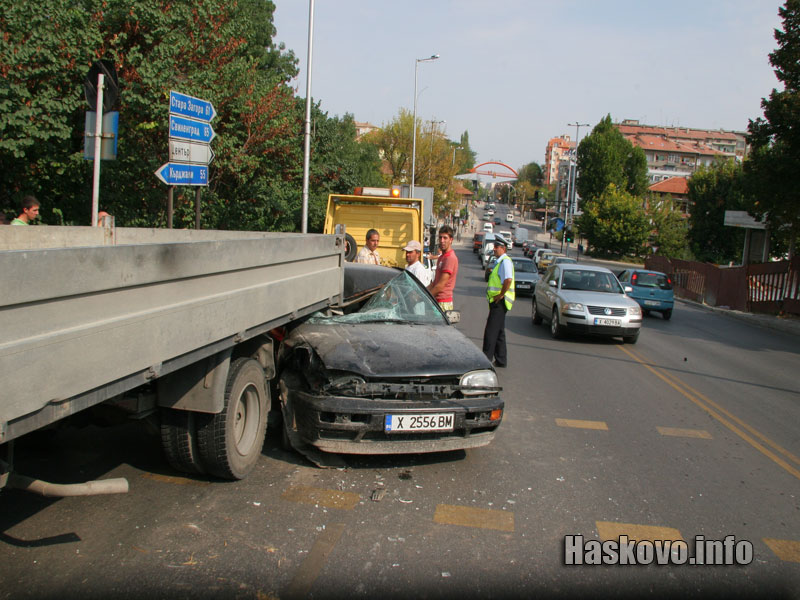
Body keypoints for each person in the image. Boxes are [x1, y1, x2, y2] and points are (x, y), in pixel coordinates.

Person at [482, 234, 515, 368]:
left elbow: (508, 280)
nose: (494, 249)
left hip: (500, 302)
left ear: (502, 248)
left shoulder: (505, 261)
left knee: (491, 331)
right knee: (499, 332)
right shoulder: (500, 262)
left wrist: (501, 295)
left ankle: (485, 359)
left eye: (496, 247)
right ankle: (501, 360)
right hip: (497, 302)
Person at [428, 225, 459, 311]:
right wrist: (422, 292)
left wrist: (426, 298)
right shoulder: (442, 257)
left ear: (451, 240)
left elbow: (440, 285)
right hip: (437, 300)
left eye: (445, 238)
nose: (442, 241)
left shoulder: (450, 258)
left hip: (443, 303)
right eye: (440, 238)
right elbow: (435, 283)